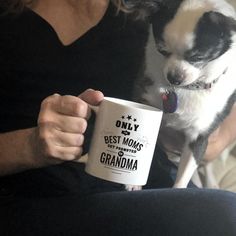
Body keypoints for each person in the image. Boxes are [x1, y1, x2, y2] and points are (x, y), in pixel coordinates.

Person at [0, 0, 236, 235]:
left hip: (144, 183)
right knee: (223, 214)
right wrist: (30, 146)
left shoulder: (152, 9)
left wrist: (217, 134)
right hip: (35, 195)